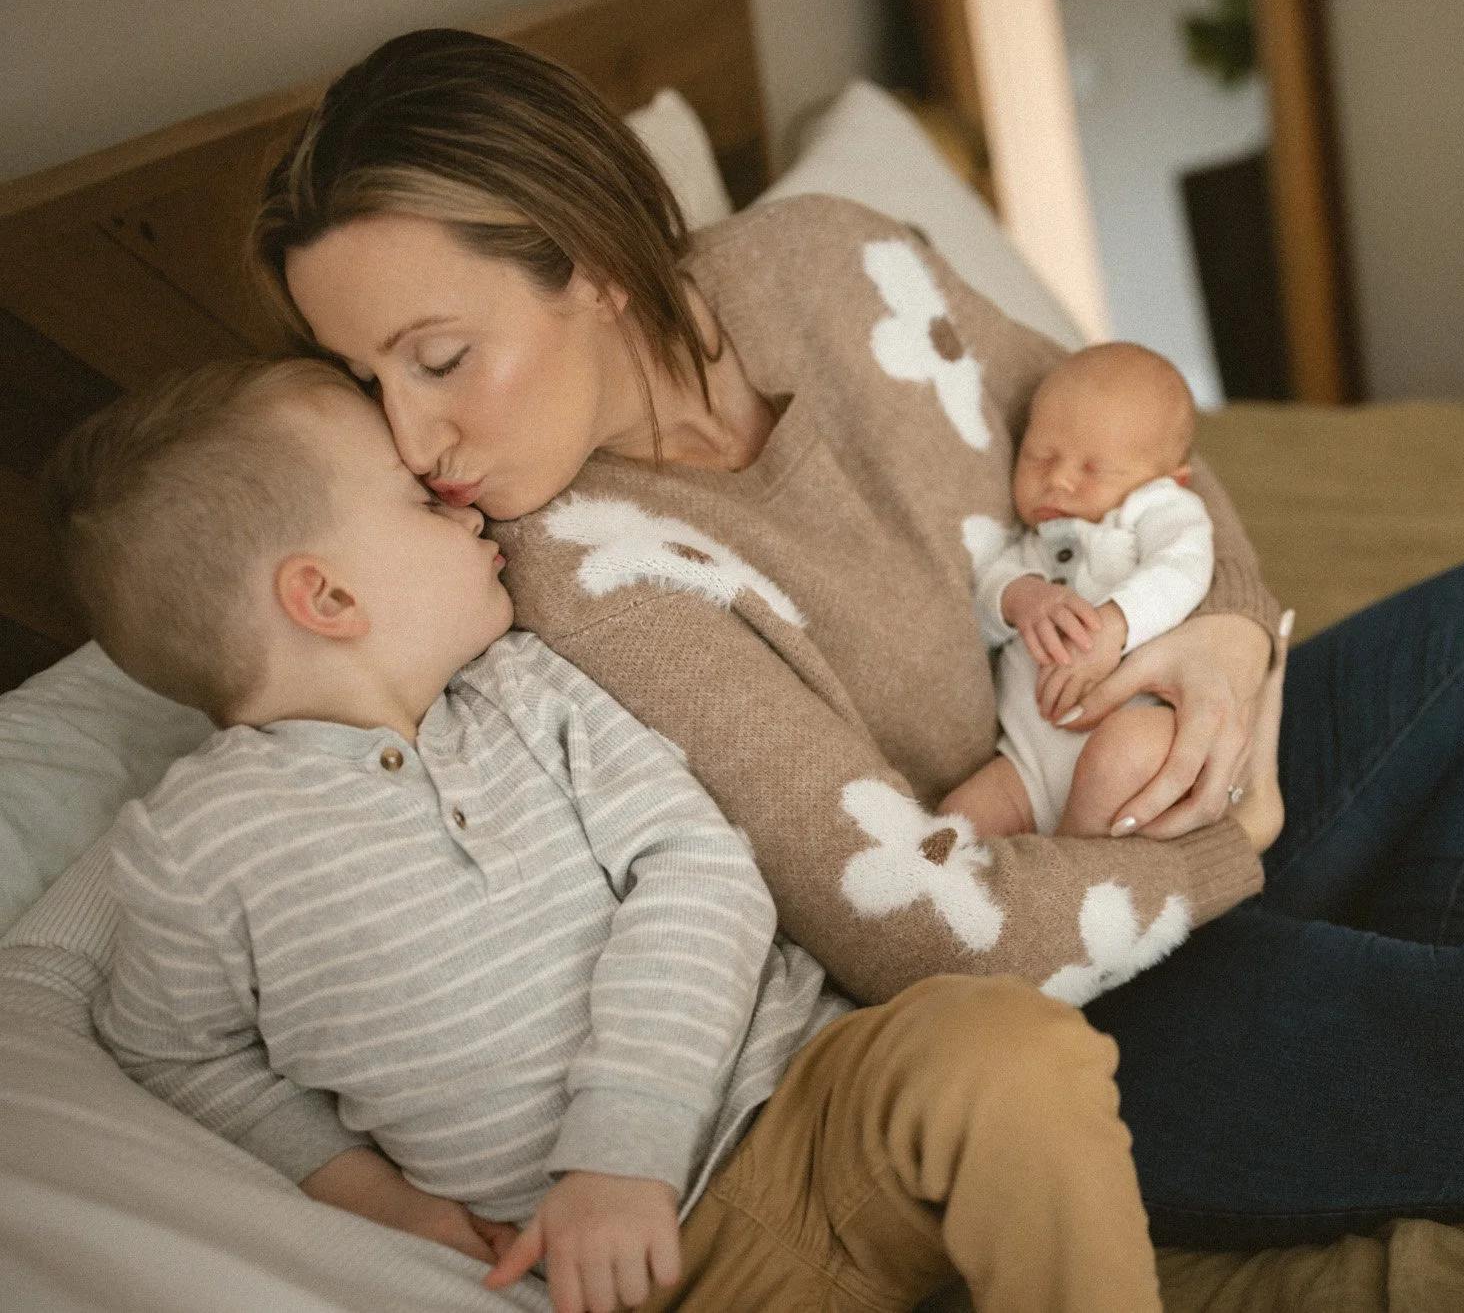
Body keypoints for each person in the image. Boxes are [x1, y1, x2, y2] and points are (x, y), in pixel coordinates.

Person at [253, 28, 1464, 1248]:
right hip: (1069, 1006)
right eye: (365, 377)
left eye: (438, 357)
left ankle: (1368, 963)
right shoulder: (568, 574)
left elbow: (1139, 427)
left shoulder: (827, 259)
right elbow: (898, 928)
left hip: (1170, 771)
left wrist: (1229, 641)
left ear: (589, 258)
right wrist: (1235, 839)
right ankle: (1349, 978)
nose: (411, 433)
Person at [48, 357, 1165, 1313]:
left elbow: (704, 872)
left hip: (814, 1107)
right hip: (643, 1279)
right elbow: (175, 1047)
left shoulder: (534, 688)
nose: (467, 504)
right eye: (419, 502)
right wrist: (376, 1198)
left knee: (1006, 1045)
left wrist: (620, 1146)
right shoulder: (192, 852)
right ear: (325, 598)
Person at [943, 340, 1235, 840]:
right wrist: (1020, 599)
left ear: (1170, 482)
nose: (1056, 479)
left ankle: (1077, 868)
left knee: (1126, 749)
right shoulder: (1028, 551)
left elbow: (1184, 567)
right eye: (1040, 456)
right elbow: (982, 604)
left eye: (1091, 468)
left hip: (1129, 742)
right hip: (1026, 767)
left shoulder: (1155, 512)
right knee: (953, 823)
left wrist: (1115, 627)